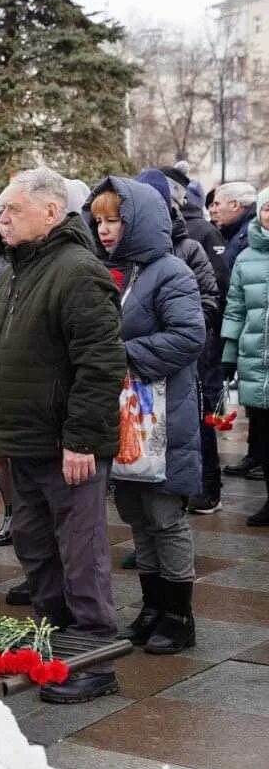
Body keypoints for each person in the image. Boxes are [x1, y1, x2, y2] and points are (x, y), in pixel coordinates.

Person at [0, 167, 125, 704]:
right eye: (1, 210)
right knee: (37, 552)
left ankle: (94, 656)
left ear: (50, 212)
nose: (1, 219)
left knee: (80, 552)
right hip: (20, 443)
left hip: (66, 446)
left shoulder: (77, 270)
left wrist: (82, 439)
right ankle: (55, 637)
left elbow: (101, 364)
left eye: (12, 210)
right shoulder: (15, 271)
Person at [85, 177, 203, 655]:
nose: (105, 230)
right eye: (99, 221)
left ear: (140, 221)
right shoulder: (117, 271)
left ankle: (179, 614)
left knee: (164, 515)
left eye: (115, 220)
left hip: (162, 418)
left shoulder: (169, 271)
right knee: (135, 513)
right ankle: (153, 607)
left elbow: (189, 336)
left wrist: (120, 353)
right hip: (129, 418)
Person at [137, 169, 224, 513]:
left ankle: (205, 487)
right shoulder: (128, 250)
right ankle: (152, 508)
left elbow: (210, 297)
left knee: (194, 424)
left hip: (186, 356)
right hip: (144, 360)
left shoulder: (189, 246)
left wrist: (185, 333)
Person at [221, 184, 269, 528]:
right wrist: (228, 355)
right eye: (267, 209)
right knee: (264, 440)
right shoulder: (245, 257)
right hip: (255, 363)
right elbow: (235, 309)